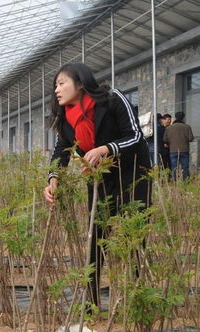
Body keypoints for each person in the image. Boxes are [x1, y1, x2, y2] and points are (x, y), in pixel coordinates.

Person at [43, 63, 151, 308]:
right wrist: (53, 180)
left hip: (133, 173)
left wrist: (105, 149)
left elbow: (135, 136)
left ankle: (138, 299)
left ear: (80, 83)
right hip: (100, 177)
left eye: (62, 83)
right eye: (55, 86)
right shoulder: (66, 118)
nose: (56, 90)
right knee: (97, 237)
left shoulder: (113, 99)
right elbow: (62, 151)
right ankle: (90, 304)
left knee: (134, 234)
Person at [163, 111, 194, 180]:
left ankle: (174, 182)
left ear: (175, 117)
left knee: (174, 167)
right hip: (184, 150)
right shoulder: (187, 127)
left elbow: (165, 139)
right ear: (183, 118)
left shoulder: (169, 128)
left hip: (173, 150)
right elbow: (190, 138)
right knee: (185, 168)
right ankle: (186, 183)